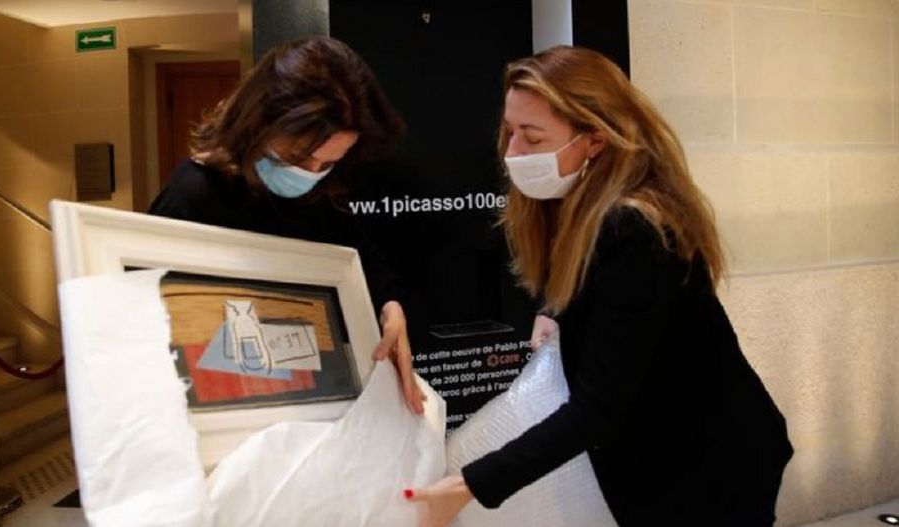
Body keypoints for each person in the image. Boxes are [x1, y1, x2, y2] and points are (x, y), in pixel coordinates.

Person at [407, 46, 793, 525]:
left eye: (532, 136)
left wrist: (468, 485)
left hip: (711, 467)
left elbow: (596, 409)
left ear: (594, 139)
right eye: (510, 132)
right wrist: (554, 309)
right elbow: (596, 290)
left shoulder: (634, 229)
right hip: (669, 454)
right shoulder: (583, 208)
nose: (512, 153)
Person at [148, 36, 424, 414]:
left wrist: (390, 305)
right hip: (215, 397)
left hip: (307, 394)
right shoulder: (194, 196)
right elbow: (150, 322)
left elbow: (361, 257)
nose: (311, 174)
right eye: (298, 156)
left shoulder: (323, 192)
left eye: (329, 163)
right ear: (258, 123)